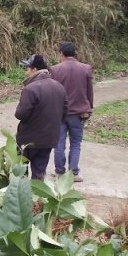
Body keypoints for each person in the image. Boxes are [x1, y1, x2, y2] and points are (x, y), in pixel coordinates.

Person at [15, 53, 68, 180]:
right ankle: (37, 197)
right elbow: (65, 111)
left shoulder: (30, 89)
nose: (26, 72)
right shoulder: (59, 86)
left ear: (34, 69)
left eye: (27, 68)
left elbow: (20, 114)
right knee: (39, 173)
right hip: (48, 139)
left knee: (20, 171)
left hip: (28, 140)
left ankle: (23, 197)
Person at [51, 41, 94, 183]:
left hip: (59, 113)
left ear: (62, 54)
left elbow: (52, 92)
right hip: (79, 113)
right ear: (75, 53)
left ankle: (59, 171)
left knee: (59, 143)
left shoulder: (55, 70)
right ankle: (74, 173)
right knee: (76, 143)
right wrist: (89, 108)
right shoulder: (85, 68)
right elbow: (89, 92)